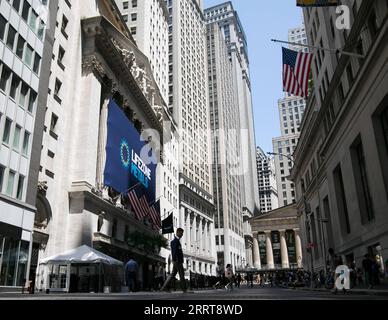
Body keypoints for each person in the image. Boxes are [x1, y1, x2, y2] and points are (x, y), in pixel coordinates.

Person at [160, 228, 187, 293]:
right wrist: (176, 259)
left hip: (176, 260)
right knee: (181, 274)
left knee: (172, 274)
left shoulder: (176, 241)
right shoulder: (175, 241)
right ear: (178, 232)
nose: (182, 234)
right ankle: (184, 289)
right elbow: (175, 251)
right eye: (181, 233)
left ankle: (164, 287)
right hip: (177, 261)